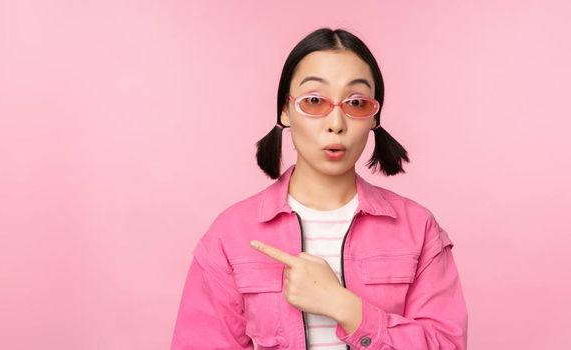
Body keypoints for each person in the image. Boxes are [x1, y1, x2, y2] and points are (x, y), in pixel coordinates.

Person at [170, 27, 468, 350]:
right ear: (285, 110)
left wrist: (343, 306)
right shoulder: (231, 235)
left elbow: (446, 344)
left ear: (374, 117)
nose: (336, 123)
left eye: (356, 102)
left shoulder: (418, 229)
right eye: (314, 100)